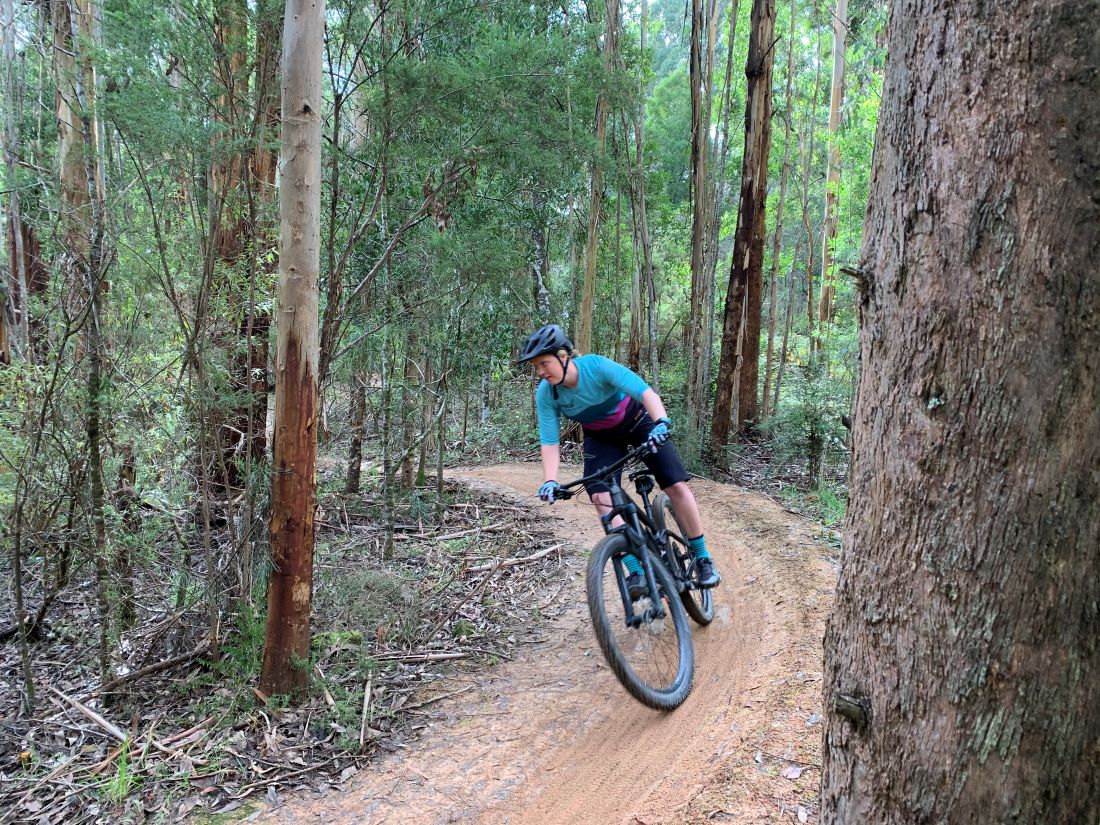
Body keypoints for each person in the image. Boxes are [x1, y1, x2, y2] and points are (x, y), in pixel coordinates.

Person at [516, 323, 720, 594]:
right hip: (602, 436)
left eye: (544, 363)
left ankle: (702, 556)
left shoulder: (596, 367)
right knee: (600, 496)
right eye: (536, 366)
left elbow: (645, 392)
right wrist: (550, 480)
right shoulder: (547, 393)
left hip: (638, 421)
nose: (540, 371)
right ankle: (636, 572)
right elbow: (550, 441)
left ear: (563, 356)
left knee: (675, 484)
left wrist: (661, 422)